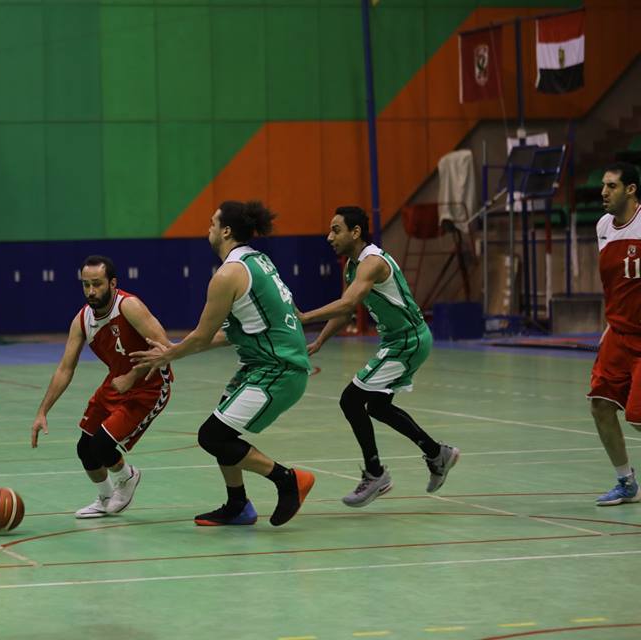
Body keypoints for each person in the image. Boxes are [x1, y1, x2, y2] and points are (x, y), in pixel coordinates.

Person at [132, 201, 315, 527]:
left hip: (278, 369)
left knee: (212, 437)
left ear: (226, 231)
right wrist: (173, 349)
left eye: (212, 223)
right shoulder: (257, 261)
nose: (209, 228)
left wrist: (167, 355)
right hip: (264, 366)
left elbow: (202, 337)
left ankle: (288, 480)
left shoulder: (228, 274)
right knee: (221, 428)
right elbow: (230, 333)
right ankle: (237, 505)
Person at [299, 206, 458, 508]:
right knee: (378, 406)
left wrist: (305, 317)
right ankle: (437, 453)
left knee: (350, 400)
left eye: (336, 230)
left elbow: (347, 303)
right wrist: (319, 340)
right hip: (398, 340)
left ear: (355, 232)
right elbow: (346, 310)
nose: (329, 236)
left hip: (408, 340)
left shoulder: (372, 262)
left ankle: (376, 475)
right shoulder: (352, 266)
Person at [30, 255, 173, 518]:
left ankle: (127, 478)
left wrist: (132, 375)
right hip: (116, 383)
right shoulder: (82, 320)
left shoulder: (129, 306)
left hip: (149, 386)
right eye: (86, 285)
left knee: (101, 445)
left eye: (97, 284)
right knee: (84, 449)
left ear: (112, 283)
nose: (91, 291)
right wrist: (42, 411)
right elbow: (65, 368)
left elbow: (164, 347)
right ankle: (106, 498)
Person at [588, 161, 641, 506]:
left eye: (612, 186)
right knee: (601, 405)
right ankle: (626, 482)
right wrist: (610, 325)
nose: (604, 192)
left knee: (638, 419)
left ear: (631, 189)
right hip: (618, 334)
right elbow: (615, 285)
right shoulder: (604, 226)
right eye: (603, 185)